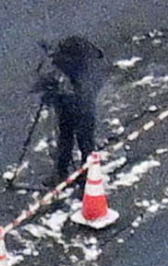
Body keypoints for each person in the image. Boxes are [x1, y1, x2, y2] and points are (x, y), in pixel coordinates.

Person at [32, 36, 108, 185]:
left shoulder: (78, 67)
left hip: (80, 106)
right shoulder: (85, 63)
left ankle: (83, 176)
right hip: (72, 105)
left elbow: (78, 87)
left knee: (81, 141)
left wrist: (51, 92)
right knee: (69, 139)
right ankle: (67, 172)